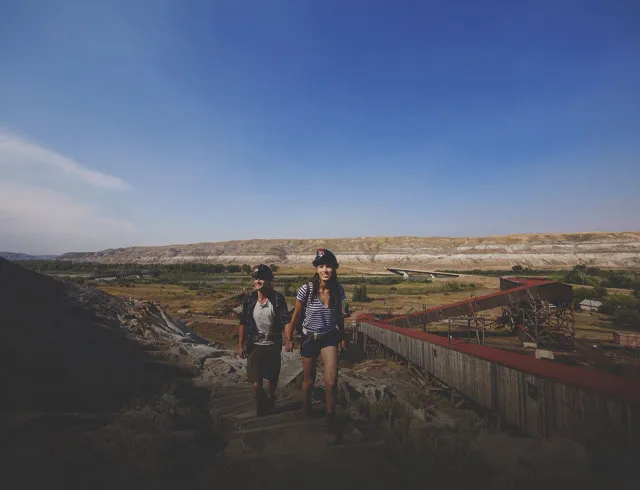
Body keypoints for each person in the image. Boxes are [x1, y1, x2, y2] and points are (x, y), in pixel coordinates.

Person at [284, 248, 347, 444]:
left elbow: (339, 315)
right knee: (309, 381)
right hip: (309, 338)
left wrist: (342, 335)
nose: (325, 270)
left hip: (329, 338)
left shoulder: (338, 289)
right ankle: (307, 406)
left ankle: (330, 422)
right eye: (321, 266)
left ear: (334, 268)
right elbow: (295, 315)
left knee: (331, 382)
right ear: (316, 269)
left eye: (328, 266)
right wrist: (289, 337)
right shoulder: (307, 289)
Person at [238, 264, 290, 416]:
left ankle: (271, 401)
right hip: (254, 346)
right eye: (255, 278)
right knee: (256, 385)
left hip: (272, 346)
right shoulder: (249, 298)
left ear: (269, 280)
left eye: (261, 278)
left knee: (271, 385)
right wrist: (240, 345)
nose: (257, 281)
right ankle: (262, 409)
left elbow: (285, 321)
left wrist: (288, 339)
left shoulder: (277, 298)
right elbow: (243, 322)